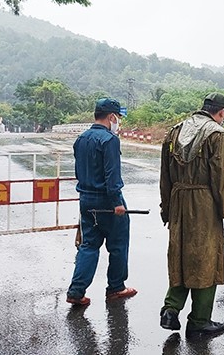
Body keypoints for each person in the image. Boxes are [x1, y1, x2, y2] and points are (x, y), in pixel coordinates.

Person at [159, 92, 224, 339]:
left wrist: (167, 209)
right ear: (222, 112)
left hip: (178, 199)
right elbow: (223, 179)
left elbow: (165, 175)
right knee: (206, 260)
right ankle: (199, 321)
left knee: (181, 256)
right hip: (204, 203)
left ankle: (170, 309)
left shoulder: (174, 131)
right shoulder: (218, 134)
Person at [66, 98, 137, 306]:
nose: (118, 123)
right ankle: (116, 287)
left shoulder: (81, 138)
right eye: (118, 119)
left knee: (89, 245)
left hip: (86, 199)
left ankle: (76, 291)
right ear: (112, 117)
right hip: (107, 200)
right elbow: (112, 175)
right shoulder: (109, 140)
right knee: (118, 244)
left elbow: (79, 170)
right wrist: (117, 202)